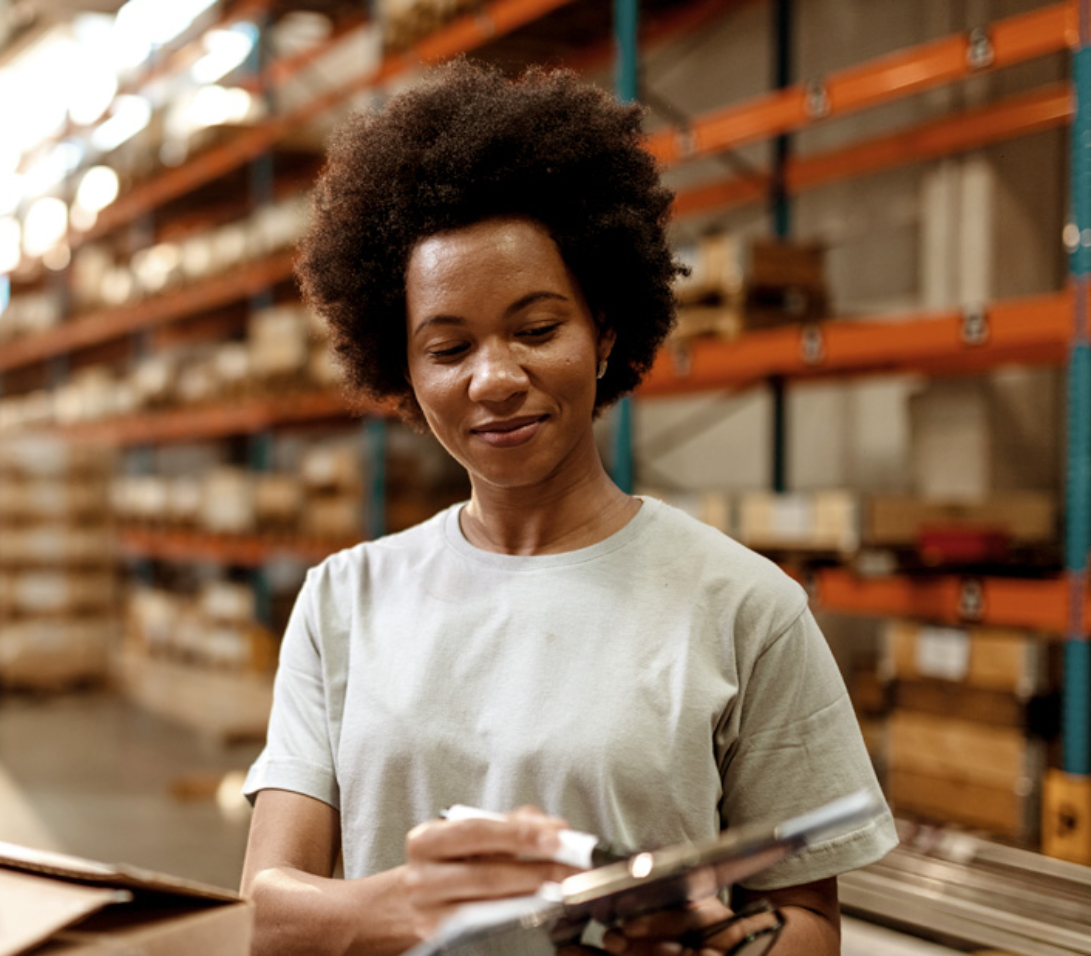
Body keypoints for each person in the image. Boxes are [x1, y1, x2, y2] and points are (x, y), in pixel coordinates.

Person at [239, 62, 896, 956]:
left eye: (538, 329)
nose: (496, 378)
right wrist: (414, 908)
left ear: (607, 332)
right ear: (402, 369)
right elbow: (269, 911)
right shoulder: (341, 603)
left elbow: (812, 922)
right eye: (448, 346)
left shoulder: (746, 609)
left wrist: (704, 943)